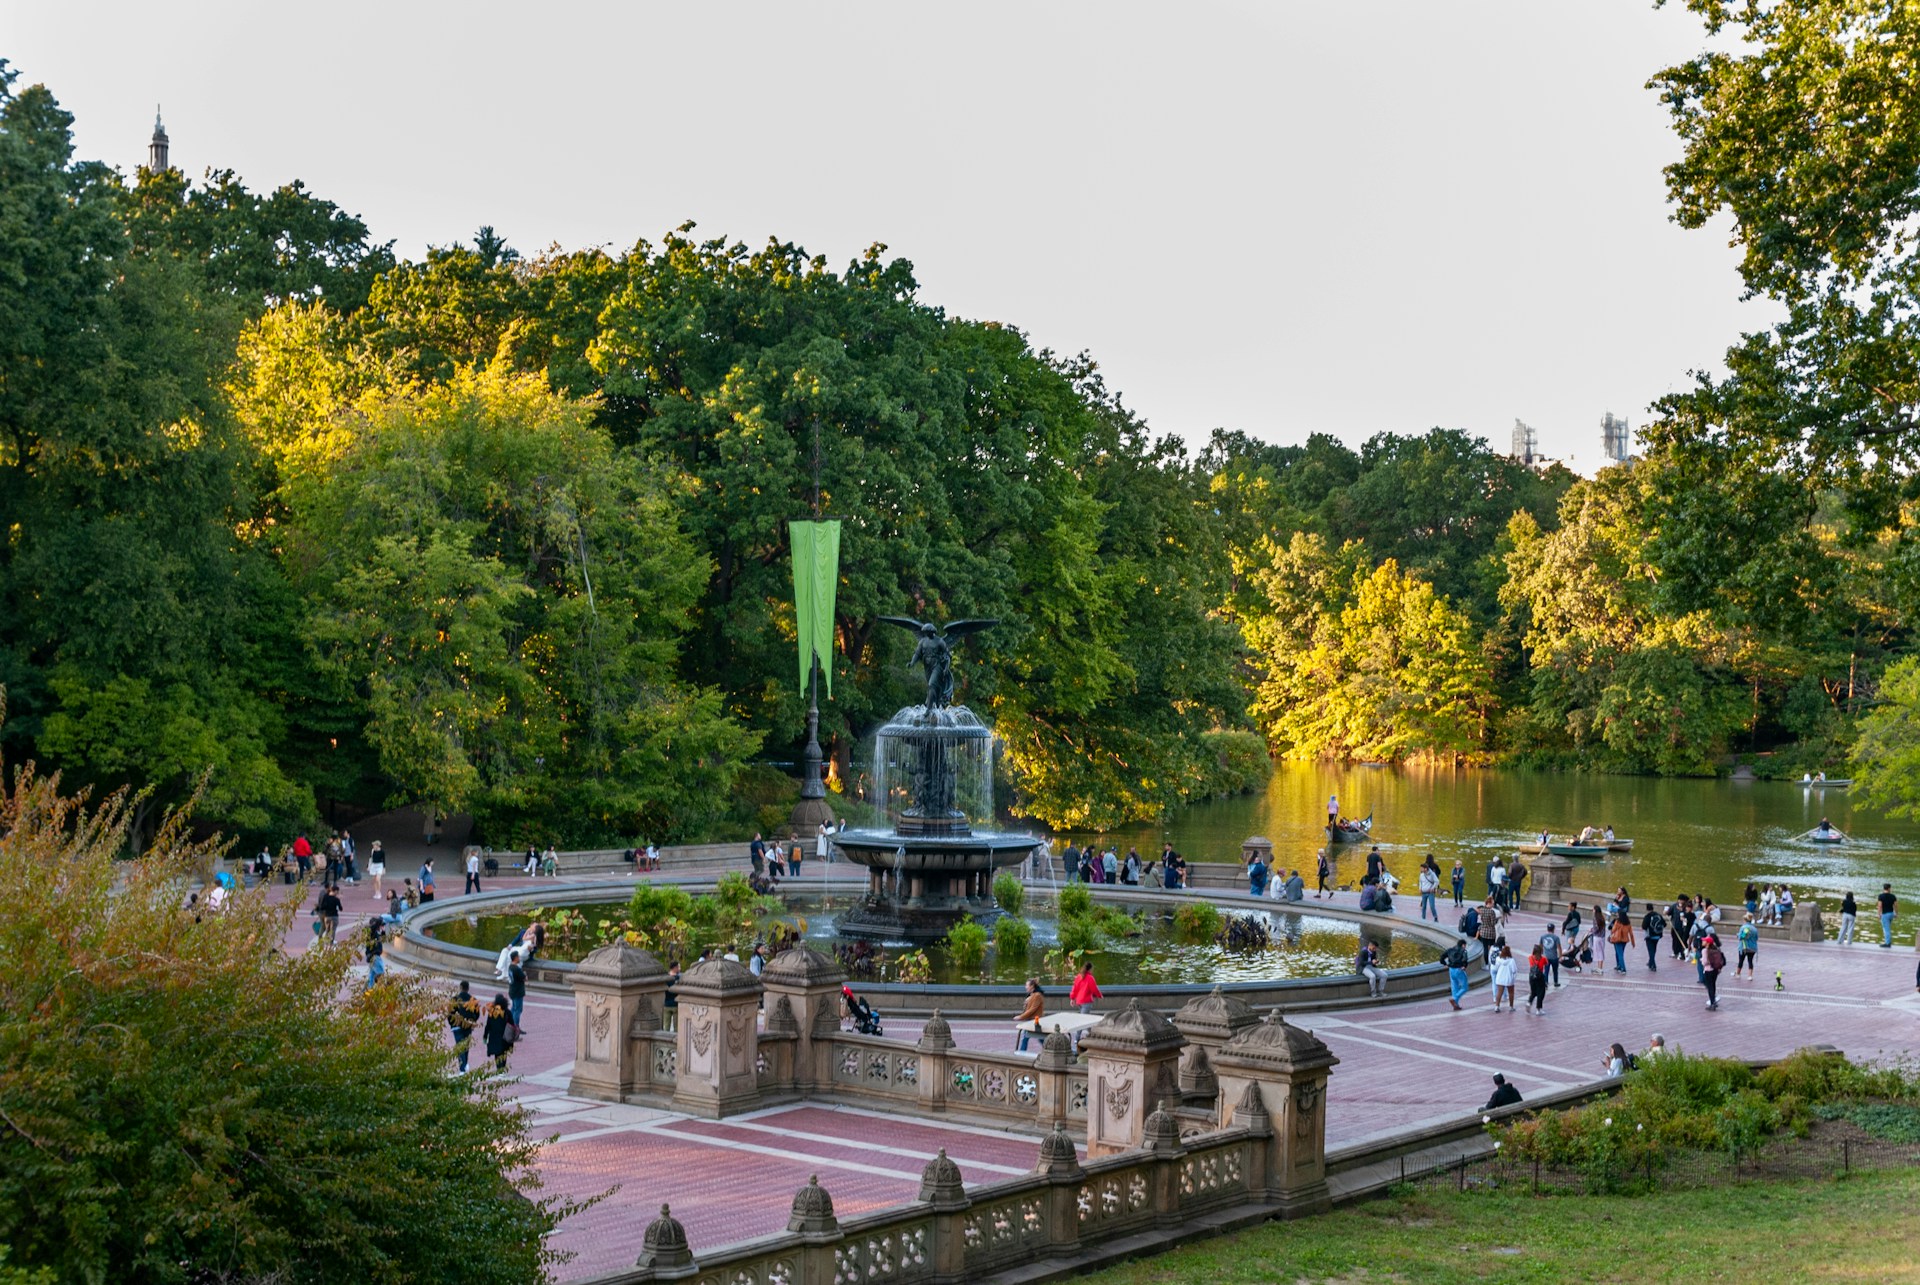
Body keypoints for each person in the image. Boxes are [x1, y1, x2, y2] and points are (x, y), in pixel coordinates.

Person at [448, 982, 482, 1072]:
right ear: (468, 988)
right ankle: (465, 1064)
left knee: (460, 1046)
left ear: (460, 987)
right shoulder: (473, 1000)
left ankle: (462, 1069)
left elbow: (450, 1013)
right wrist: (472, 1022)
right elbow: (477, 1014)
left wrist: (452, 1024)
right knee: (466, 1046)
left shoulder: (455, 999)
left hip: (457, 1026)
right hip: (468, 1026)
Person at [482, 993, 516, 1070]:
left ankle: (499, 1069)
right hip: (505, 1036)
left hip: (494, 1036)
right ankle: (502, 1068)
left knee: (497, 1054)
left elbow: (488, 1025)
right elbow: (512, 1024)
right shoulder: (507, 1012)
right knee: (504, 1053)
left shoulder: (492, 1013)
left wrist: (485, 1036)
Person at [1014, 978, 1046, 1051]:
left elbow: (1032, 1009)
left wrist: (1021, 1017)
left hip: (1035, 1021)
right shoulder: (1032, 995)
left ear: (1032, 986)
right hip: (1031, 1020)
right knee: (1029, 1037)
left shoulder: (1037, 995)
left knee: (1029, 1037)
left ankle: (1021, 1053)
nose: (1026, 987)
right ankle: (1022, 1053)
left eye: (1027, 985)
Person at [1442, 940, 1470, 1011]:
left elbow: (1442, 957)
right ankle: (1454, 998)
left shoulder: (1450, 950)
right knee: (1464, 987)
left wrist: (1445, 964)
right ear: (1463, 945)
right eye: (1465, 945)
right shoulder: (1464, 951)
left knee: (1454, 987)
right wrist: (1464, 965)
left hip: (1451, 969)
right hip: (1459, 969)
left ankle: (1456, 1005)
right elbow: (1465, 959)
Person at [1608, 904, 1636, 974]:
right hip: (1625, 940)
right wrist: (1633, 943)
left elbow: (1613, 930)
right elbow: (1631, 934)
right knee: (1620, 953)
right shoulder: (1628, 923)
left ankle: (1623, 968)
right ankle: (1619, 966)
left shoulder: (1618, 921)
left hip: (1617, 939)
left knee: (1619, 954)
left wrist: (1611, 933)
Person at [1702, 931, 1726, 1010]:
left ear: (1708, 943)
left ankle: (1712, 1002)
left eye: (1704, 941)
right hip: (1715, 970)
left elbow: (1705, 962)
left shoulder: (1705, 951)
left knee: (1709, 987)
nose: (1703, 941)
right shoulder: (1716, 949)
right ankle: (1714, 1001)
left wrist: (1701, 960)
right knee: (1713, 985)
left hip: (1708, 970)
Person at [1489, 944, 1516, 1012]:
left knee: (1499, 993)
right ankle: (1511, 1007)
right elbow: (1514, 970)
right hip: (1509, 978)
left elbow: (1496, 967)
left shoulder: (1498, 959)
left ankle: (1497, 1006)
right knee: (1511, 993)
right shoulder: (1511, 960)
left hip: (1500, 978)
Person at [507, 950, 528, 1032]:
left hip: (512, 990)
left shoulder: (510, 967)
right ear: (515, 958)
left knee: (513, 1008)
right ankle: (516, 1027)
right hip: (518, 992)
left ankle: (510, 1025)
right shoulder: (516, 969)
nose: (519, 958)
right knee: (518, 1010)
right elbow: (524, 978)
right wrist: (525, 975)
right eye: (518, 956)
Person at [1640, 901, 1665, 971]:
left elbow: (1644, 926)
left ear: (1647, 909)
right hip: (1657, 935)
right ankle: (1650, 962)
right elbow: (1664, 924)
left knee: (1651, 951)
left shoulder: (1647, 916)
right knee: (1653, 950)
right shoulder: (1658, 915)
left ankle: (1653, 965)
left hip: (1649, 936)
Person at [1525, 942, 1549, 1014]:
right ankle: (1539, 1009)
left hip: (1531, 977)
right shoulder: (1543, 959)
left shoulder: (1530, 958)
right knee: (1541, 992)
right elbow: (1546, 964)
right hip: (1539, 977)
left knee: (1533, 991)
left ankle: (1529, 1002)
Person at [1537, 924, 1563, 989]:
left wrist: (1540, 954)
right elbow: (1559, 947)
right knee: (1555, 970)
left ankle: (1545, 982)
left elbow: (1540, 946)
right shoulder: (1556, 937)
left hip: (1546, 957)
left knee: (1546, 971)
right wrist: (1560, 956)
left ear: (1547, 929)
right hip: (1554, 956)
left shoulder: (1543, 937)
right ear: (1553, 929)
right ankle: (1556, 982)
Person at [364, 920, 386, 988]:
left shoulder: (375, 934)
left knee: (372, 976)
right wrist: (379, 920)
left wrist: (383, 932)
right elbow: (374, 926)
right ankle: (381, 989)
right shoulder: (371, 932)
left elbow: (381, 939)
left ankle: (368, 990)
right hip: (374, 956)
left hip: (373, 956)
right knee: (380, 974)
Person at [1418, 857, 1440, 923]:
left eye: (1422, 868)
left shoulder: (1432, 874)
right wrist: (1420, 888)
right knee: (1424, 906)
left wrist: (1433, 888)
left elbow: (1437, 881)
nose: (1421, 869)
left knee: (1432, 906)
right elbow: (1420, 882)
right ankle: (1423, 918)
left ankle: (1435, 917)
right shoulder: (1421, 875)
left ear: (1426, 869)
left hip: (1430, 893)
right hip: (1424, 892)